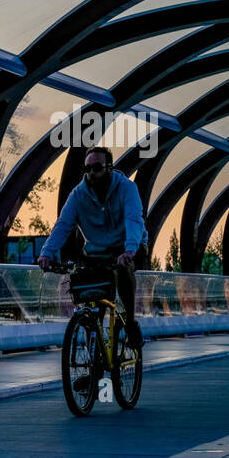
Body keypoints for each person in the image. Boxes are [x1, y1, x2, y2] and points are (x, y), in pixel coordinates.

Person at [37, 146, 148, 348]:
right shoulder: (78, 194)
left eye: (96, 167)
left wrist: (130, 250)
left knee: (124, 270)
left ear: (109, 167)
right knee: (93, 294)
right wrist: (47, 253)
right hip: (97, 251)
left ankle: (131, 323)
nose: (91, 173)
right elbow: (63, 225)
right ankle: (94, 353)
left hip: (128, 246)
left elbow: (134, 219)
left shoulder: (126, 188)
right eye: (86, 168)